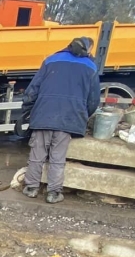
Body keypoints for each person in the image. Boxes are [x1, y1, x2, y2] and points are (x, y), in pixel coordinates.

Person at [19, 37, 100, 204]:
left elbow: (32, 89)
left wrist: (28, 107)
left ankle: (31, 188)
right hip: (69, 117)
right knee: (58, 157)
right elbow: (93, 100)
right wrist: (83, 116)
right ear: (88, 49)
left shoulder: (50, 60)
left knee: (37, 154)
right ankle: (53, 193)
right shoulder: (90, 66)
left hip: (43, 114)